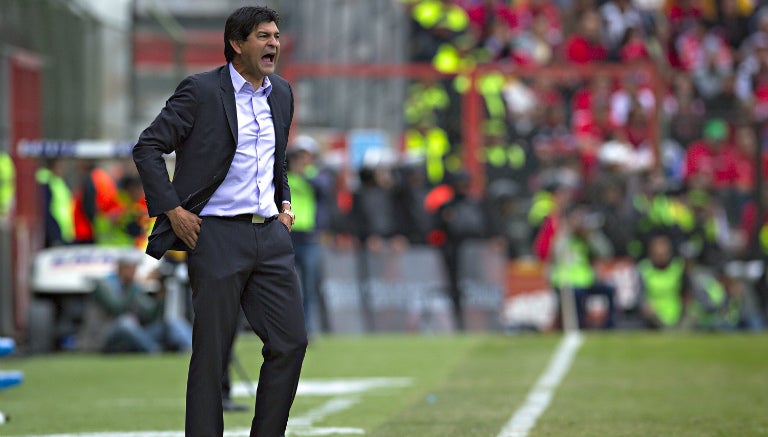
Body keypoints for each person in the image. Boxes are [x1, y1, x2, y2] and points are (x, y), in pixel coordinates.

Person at [132, 6, 307, 436]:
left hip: (271, 236)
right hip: (215, 236)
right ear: (237, 44)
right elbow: (148, 147)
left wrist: (284, 204)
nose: (274, 43)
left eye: (276, 36)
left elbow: (276, 160)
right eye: (263, 36)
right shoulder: (201, 90)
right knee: (212, 354)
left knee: (290, 342)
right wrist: (173, 211)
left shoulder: (282, 93)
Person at [82, 254, 192, 353]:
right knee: (126, 322)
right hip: (103, 335)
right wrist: (134, 286)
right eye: (131, 267)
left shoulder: (133, 286)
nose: (134, 271)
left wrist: (161, 296)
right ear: (121, 268)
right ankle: (154, 351)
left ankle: (191, 348)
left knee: (171, 322)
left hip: (134, 334)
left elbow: (150, 315)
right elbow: (117, 309)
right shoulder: (104, 284)